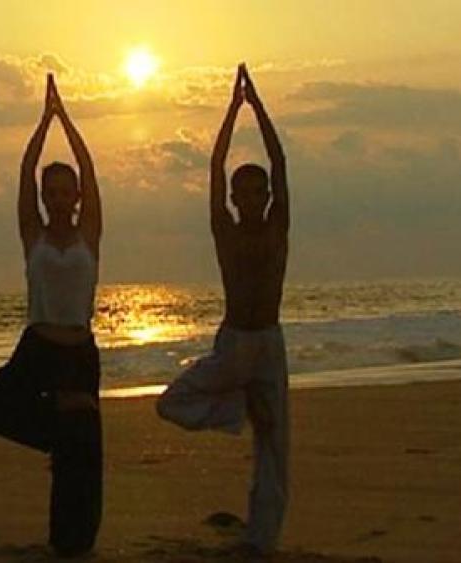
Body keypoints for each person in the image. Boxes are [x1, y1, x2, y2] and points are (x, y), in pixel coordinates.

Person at [156, 63, 290, 558]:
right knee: (172, 401)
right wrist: (233, 109)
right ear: (233, 198)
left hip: (269, 341)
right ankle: (237, 408)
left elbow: (279, 161)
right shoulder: (225, 229)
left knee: (275, 446)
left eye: (258, 192)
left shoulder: (277, 226)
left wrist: (258, 106)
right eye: (242, 193)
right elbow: (215, 165)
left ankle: (261, 537)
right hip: (234, 343)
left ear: (267, 197)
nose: (250, 199)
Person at [0, 73, 103, 558]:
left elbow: (89, 168)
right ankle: (58, 429)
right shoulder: (34, 234)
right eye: (52, 192)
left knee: (82, 462)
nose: (59, 198)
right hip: (38, 348)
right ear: (45, 198)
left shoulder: (90, 233)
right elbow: (25, 173)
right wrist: (44, 120)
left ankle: (70, 543)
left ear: (77, 197)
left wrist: (66, 118)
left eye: (67, 192)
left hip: (80, 352)